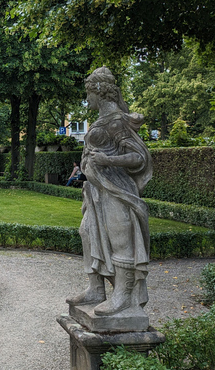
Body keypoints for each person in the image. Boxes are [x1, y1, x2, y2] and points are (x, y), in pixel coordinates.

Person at [66, 67, 153, 317]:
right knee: (87, 231)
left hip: (115, 188)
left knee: (120, 238)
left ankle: (124, 296)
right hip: (96, 190)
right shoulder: (102, 121)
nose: (87, 99)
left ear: (100, 91)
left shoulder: (117, 121)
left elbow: (138, 157)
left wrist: (107, 160)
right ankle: (96, 289)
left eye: (88, 93)